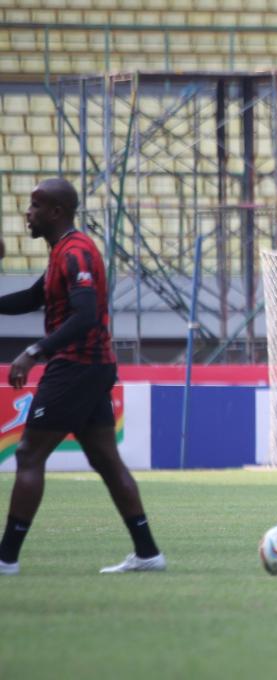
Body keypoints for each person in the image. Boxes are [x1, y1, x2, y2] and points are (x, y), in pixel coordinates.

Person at [0, 178, 165, 575]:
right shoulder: (64, 251)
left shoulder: (77, 253)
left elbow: (86, 314)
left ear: (57, 212)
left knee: (28, 455)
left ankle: (5, 559)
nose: (28, 212)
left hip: (77, 365)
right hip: (91, 366)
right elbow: (33, 298)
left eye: (36, 205)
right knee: (106, 459)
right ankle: (148, 554)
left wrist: (34, 352)